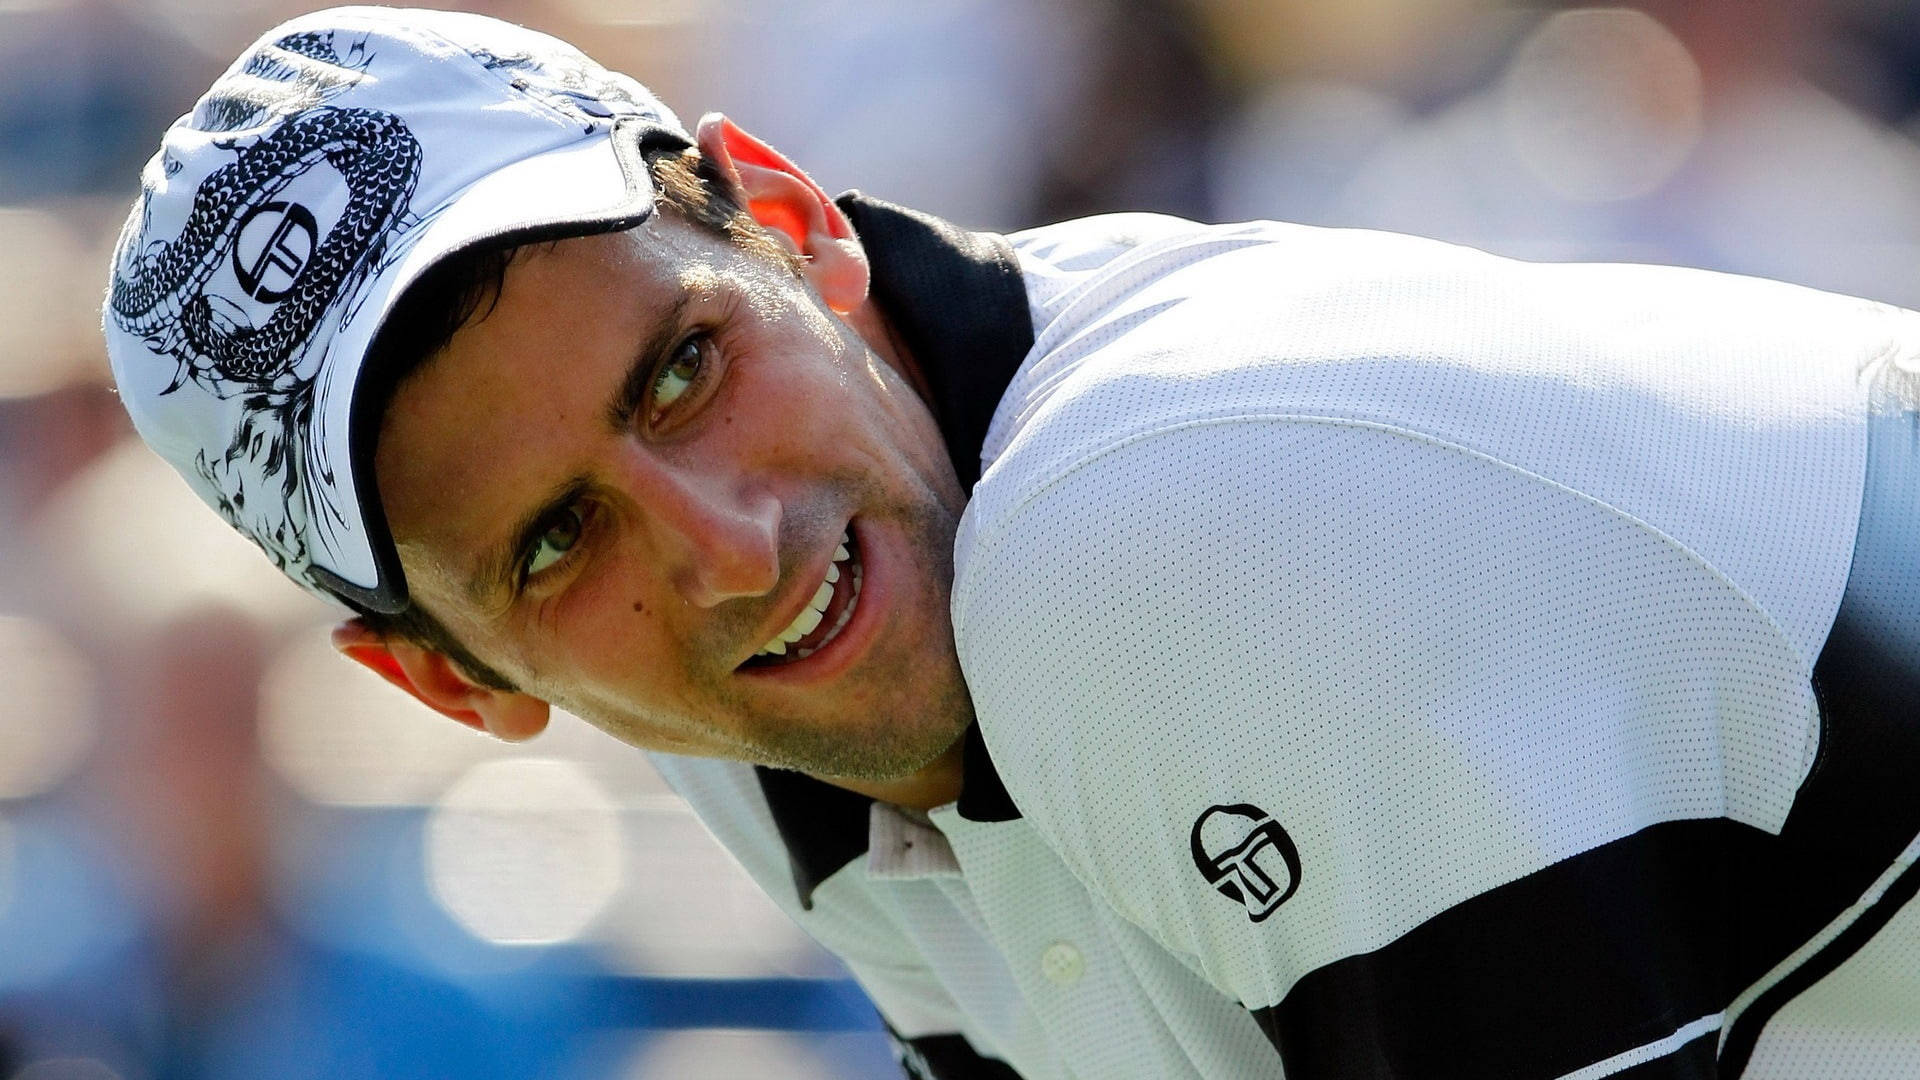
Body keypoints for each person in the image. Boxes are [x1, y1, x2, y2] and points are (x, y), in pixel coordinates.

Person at [102, 8, 1920, 1079]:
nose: (728, 548)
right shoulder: (790, 720)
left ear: (794, 218)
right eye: (561, 541)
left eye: (682, 370)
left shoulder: (1141, 523)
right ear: (452, 684)